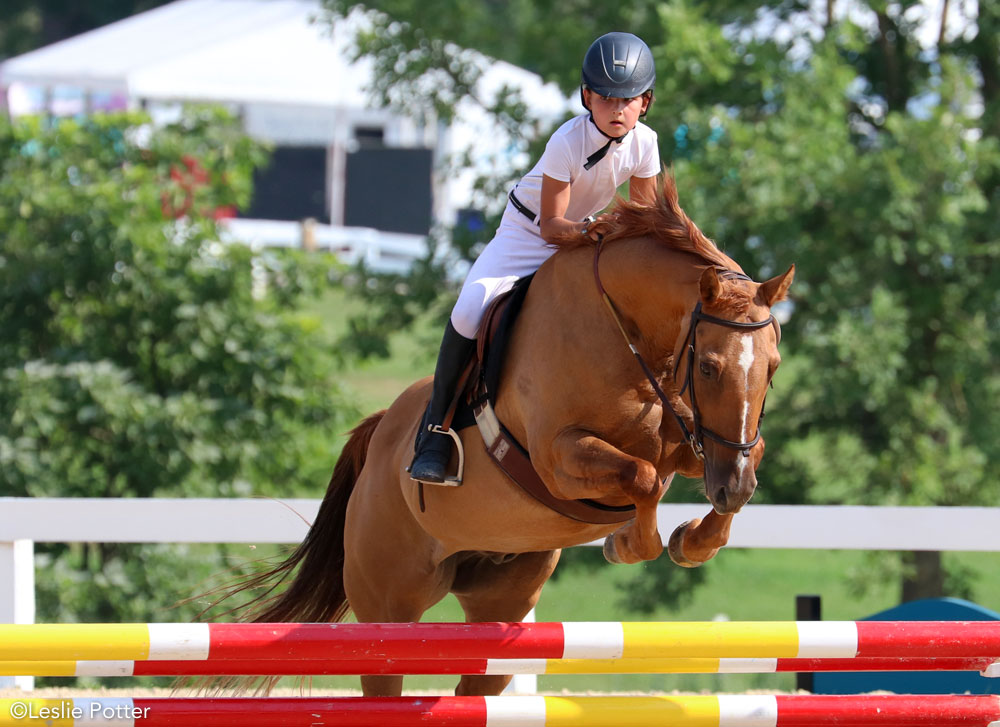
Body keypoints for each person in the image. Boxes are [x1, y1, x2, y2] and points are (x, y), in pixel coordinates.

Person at [409, 31, 661, 483]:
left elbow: (643, 222)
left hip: (586, 240)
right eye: (605, 98)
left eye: (628, 100)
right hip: (530, 235)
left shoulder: (646, 143)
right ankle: (434, 431)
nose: (617, 109)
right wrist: (593, 231)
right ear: (586, 96)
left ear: (645, 102)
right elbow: (552, 226)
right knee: (469, 310)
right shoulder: (567, 140)